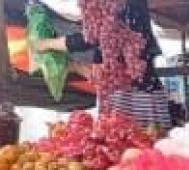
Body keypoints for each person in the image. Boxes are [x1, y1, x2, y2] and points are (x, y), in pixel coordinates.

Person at [31, 0, 172, 132]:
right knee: (119, 143)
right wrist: (75, 66)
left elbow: (92, 37)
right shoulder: (114, 24)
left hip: (137, 99)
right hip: (124, 95)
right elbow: (104, 63)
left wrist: (46, 44)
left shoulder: (122, 13)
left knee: (142, 145)